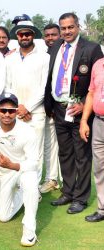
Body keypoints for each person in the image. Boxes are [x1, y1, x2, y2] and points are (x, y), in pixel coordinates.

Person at [44, 12, 103, 214]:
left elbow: (98, 82)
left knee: (82, 156)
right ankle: (68, 192)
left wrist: (85, 106)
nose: (67, 31)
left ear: (77, 27)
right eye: (63, 28)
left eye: (70, 27)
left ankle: (80, 198)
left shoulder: (92, 48)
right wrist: (50, 105)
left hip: (80, 110)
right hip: (59, 109)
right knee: (65, 153)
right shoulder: (54, 48)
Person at [0, 92, 39, 247]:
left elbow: (34, 162)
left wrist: (13, 165)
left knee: (30, 180)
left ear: (17, 111)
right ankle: (25, 193)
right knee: (3, 216)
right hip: (2, 175)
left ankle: (29, 229)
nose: (7, 114)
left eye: (11, 110)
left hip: (22, 170)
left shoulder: (28, 131)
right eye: (3, 110)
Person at [5, 21, 49, 184]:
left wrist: (28, 107)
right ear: (17, 36)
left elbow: (45, 86)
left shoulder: (44, 57)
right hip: (15, 112)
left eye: (28, 34)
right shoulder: (10, 58)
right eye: (21, 34)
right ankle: (17, 184)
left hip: (35, 112)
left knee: (35, 152)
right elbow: (7, 85)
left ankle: (33, 187)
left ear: (33, 36)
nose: (24, 37)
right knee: (16, 149)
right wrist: (17, 107)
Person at [79, 57, 104, 222]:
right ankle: (102, 209)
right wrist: (83, 121)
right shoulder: (98, 64)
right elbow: (91, 93)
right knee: (99, 167)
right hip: (99, 121)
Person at [40, 23, 61, 193]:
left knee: (55, 145)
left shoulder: (64, 55)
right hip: (46, 108)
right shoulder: (44, 56)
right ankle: (52, 178)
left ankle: (53, 179)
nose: (50, 38)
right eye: (47, 35)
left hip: (60, 108)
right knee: (49, 144)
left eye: (53, 35)